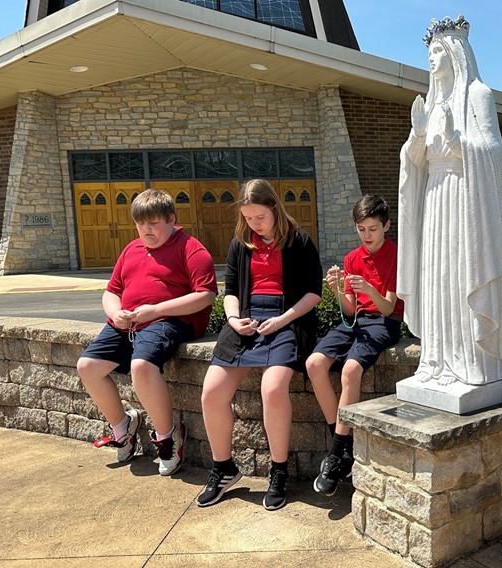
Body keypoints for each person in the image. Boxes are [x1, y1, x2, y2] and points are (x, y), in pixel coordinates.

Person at [397, 15, 502, 387]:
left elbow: (493, 151)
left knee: (460, 273)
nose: (431, 59)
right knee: (436, 276)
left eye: (437, 51)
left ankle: (472, 362)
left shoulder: (479, 95)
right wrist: (417, 135)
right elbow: (415, 162)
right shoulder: (429, 104)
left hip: (465, 200)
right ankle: (437, 360)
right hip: (434, 198)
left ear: (456, 53)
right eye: (428, 52)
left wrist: (458, 139)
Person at [197, 178, 322, 511]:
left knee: (273, 388)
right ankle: (223, 468)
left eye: (260, 217)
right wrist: (234, 318)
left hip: (289, 320)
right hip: (248, 319)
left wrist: (283, 320)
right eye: (249, 217)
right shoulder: (241, 243)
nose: (254, 223)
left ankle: (278, 471)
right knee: (211, 392)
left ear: (275, 208)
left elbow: (313, 293)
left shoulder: (300, 241)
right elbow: (232, 290)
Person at [78, 188, 217, 476]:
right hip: (128, 322)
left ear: (171, 219)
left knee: (141, 365)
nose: (146, 230)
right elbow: (112, 291)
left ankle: (168, 437)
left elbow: (205, 296)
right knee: (88, 366)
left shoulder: (191, 248)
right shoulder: (131, 249)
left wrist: (153, 310)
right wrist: (116, 313)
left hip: (169, 321)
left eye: (153, 223)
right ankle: (122, 427)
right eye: (141, 224)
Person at [306, 195, 404, 496]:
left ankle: (335, 455)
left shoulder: (396, 255)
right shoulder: (351, 258)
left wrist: (369, 289)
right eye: (361, 229)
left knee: (350, 371)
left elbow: (389, 308)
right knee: (314, 364)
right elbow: (349, 310)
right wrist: (337, 289)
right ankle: (343, 440)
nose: (367, 235)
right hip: (357, 321)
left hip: (383, 323)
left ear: (386, 225)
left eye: (373, 228)